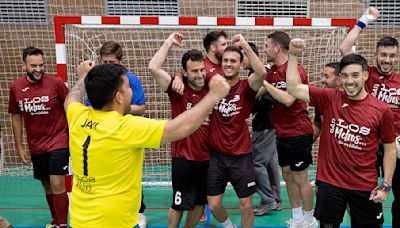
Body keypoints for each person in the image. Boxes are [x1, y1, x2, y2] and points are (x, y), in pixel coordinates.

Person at [65, 61, 230, 227]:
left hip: (79, 220)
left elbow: (71, 98)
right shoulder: (126, 128)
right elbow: (180, 128)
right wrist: (213, 95)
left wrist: (83, 77)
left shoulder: (77, 116)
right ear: (119, 97)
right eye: (129, 87)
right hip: (117, 222)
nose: (132, 90)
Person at [287, 38, 397, 228]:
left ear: (365, 76)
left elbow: (390, 150)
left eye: (355, 75)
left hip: (364, 185)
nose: (349, 81)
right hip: (331, 184)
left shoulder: (381, 110)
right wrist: (293, 55)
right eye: (345, 76)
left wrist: (385, 184)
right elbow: (293, 88)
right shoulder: (329, 98)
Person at [339, 7, 400, 226]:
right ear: (376, 55)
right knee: (364, 192)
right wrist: (365, 19)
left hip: (394, 146)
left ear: (396, 56)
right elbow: (345, 46)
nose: (386, 59)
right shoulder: (366, 75)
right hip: (367, 145)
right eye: (383, 55)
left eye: (391, 55)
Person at [148, 33, 210, 227]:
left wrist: (179, 75)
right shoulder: (177, 91)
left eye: (202, 70)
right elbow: (153, 67)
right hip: (184, 158)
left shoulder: (211, 88)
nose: (199, 75)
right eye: (194, 71)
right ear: (185, 71)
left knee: (200, 204)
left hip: (208, 158)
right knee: (178, 204)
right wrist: (168, 43)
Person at [207, 35, 266, 228]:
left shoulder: (246, 87)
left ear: (241, 65)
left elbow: (261, 72)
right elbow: (192, 73)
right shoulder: (214, 85)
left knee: (246, 206)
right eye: (225, 60)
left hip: (241, 155)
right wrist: (180, 77)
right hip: (217, 156)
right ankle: (229, 226)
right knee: (214, 204)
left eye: (233, 61)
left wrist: (245, 46)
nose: (228, 64)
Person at [86, 41, 148, 226]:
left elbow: (141, 107)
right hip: (102, 135)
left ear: (120, 61)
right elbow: (91, 107)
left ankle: (138, 211)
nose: (108, 66)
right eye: (105, 62)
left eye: (112, 63)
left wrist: (119, 110)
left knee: (131, 174)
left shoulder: (130, 80)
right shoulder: (97, 80)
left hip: (127, 133)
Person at [8, 47, 69, 228]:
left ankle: (63, 225)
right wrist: (19, 146)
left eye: (41, 65)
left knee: (57, 182)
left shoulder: (56, 83)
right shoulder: (16, 87)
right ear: (24, 66)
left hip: (59, 141)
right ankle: (56, 221)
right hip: (36, 145)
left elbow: (70, 108)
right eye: (33, 65)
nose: (38, 69)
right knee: (47, 185)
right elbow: (15, 115)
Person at [261, 31, 317, 227]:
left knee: (301, 177)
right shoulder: (272, 72)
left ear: (276, 48)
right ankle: (297, 218)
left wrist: (265, 84)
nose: (265, 49)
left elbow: (287, 99)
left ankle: (310, 220)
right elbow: (258, 88)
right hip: (282, 132)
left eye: (267, 45)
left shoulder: (296, 70)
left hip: (298, 132)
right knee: (287, 175)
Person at [243, 42, 282, 216]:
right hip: (269, 125)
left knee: (256, 163)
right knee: (270, 164)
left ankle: (267, 200)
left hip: (266, 126)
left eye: (241, 56)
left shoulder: (260, 74)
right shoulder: (260, 73)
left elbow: (262, 99)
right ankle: (276, 200)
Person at [313, 62, 341, 141]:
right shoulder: (321, 99)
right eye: (323, 76)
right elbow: (318, 123)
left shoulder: (349, 100)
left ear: (339, 80)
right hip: (327, 149)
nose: (322, 80)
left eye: (326, 76)